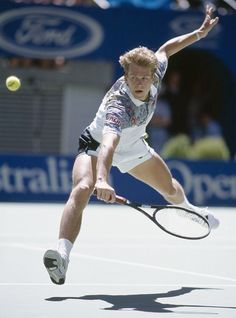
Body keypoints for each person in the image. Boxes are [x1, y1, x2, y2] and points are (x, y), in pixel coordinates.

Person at [43, 5, 219, 285]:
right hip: (97, 143)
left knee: (170, 189)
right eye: (133, 77)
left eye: (143, 77)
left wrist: (198, 33)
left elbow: (166, 49)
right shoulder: (119, 106)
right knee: (82, 188)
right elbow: (108, 147)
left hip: (135, 145)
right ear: (125, 76)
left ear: (152, 75)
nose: (139, 81)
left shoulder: (156, 71)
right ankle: (61, 256)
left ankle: (190, 210)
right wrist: (102, 179)